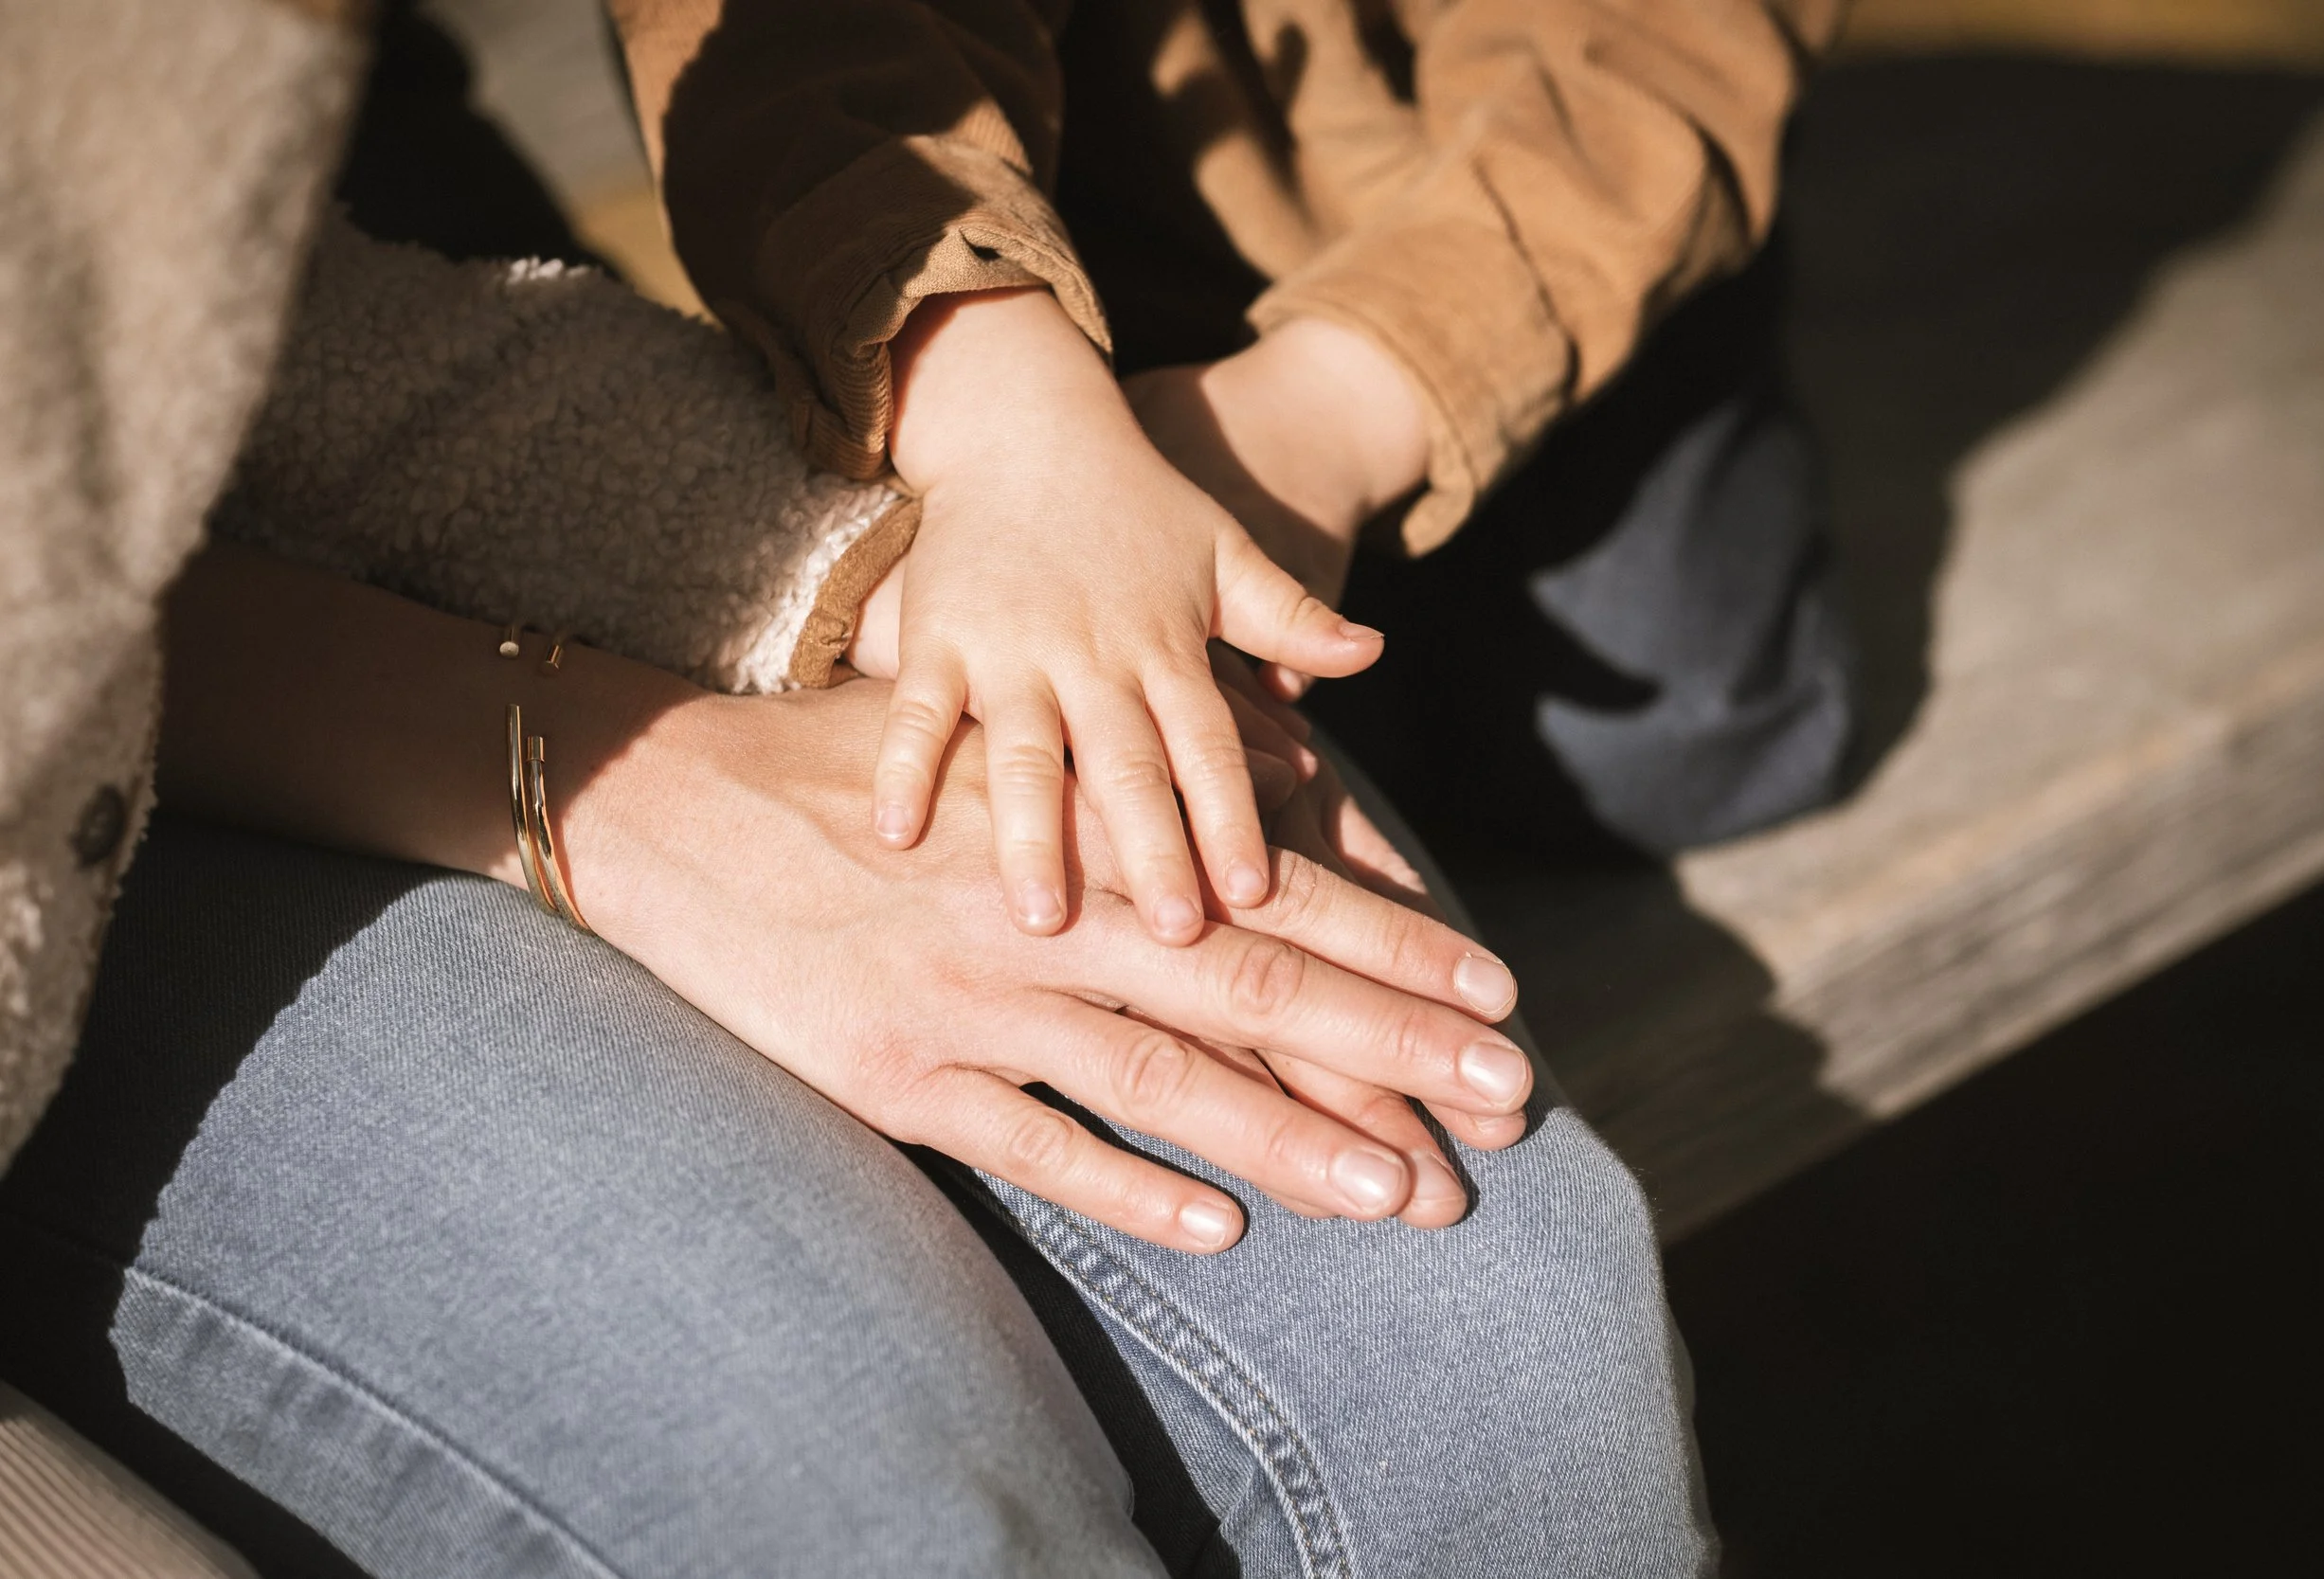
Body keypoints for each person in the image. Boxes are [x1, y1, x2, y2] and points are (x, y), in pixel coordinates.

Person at [0, 3, 1716, 1572]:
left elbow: (217, 358)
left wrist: (899, 547)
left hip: (204, 584)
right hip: (77, 872)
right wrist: (609, 786)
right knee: (888, 1516)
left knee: (1502, 1336)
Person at [610, 0, 1859, 876]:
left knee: (1676, 741)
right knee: (1091, 768)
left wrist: (1331, 409)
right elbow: (790, 54)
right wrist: (1013, 414)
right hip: (1063, 280)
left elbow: (1657, 56)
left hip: (1540, 229)